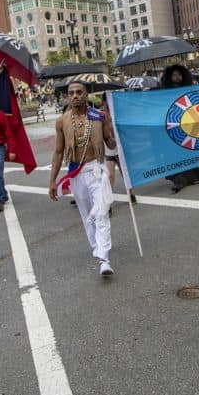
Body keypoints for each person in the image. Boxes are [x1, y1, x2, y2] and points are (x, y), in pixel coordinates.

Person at [49, 81, 118, 276]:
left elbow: (110, 142)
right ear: (67, 97)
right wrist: (52, 181)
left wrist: (117, 133)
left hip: (96, 170)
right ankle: (97, 247)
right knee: (87, 216)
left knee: (101, 212)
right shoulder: (62, 121)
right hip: (75, 173)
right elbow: (58, 152)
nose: (75, 96)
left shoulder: (99, 116)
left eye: (79, 92)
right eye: (71, 93)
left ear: (86, 95)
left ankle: (104, 258)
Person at [160, 64, 199, 192]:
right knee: (172, 152)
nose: (177, 77)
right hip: (170, 125)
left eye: (179, 74)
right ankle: (178, 178)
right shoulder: (164, 91)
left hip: (185, 124)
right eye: (174, 75)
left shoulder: (186, 89)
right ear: (169, 77)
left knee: (185, 150)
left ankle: (191, 177)